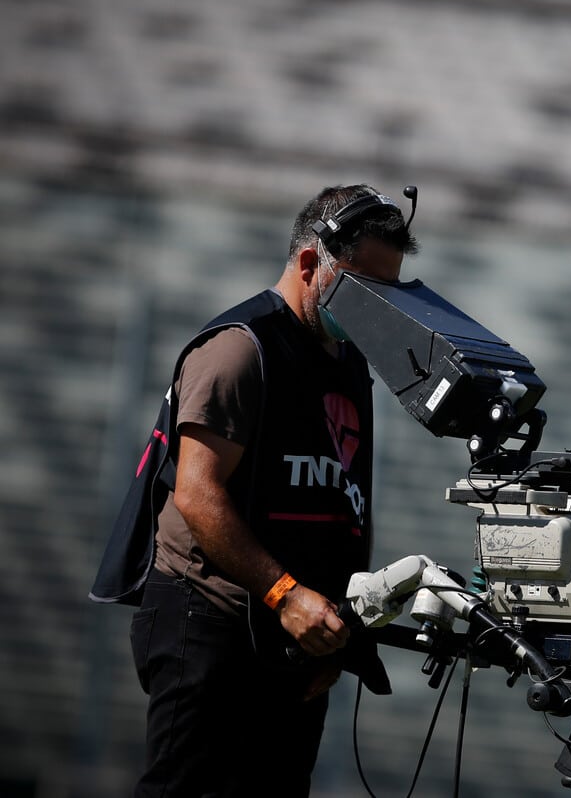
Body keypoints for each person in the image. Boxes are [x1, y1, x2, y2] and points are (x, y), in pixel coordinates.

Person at [123, 184, 418, 796]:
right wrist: (287, 595)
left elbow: (342, 502)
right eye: (366, 290)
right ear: (311, 265)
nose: (379, 309)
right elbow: (197, 495)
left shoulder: (347, 360)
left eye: (389, 292)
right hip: (208, 621)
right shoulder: (238, 349)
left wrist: (336, 632)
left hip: (297, 634)